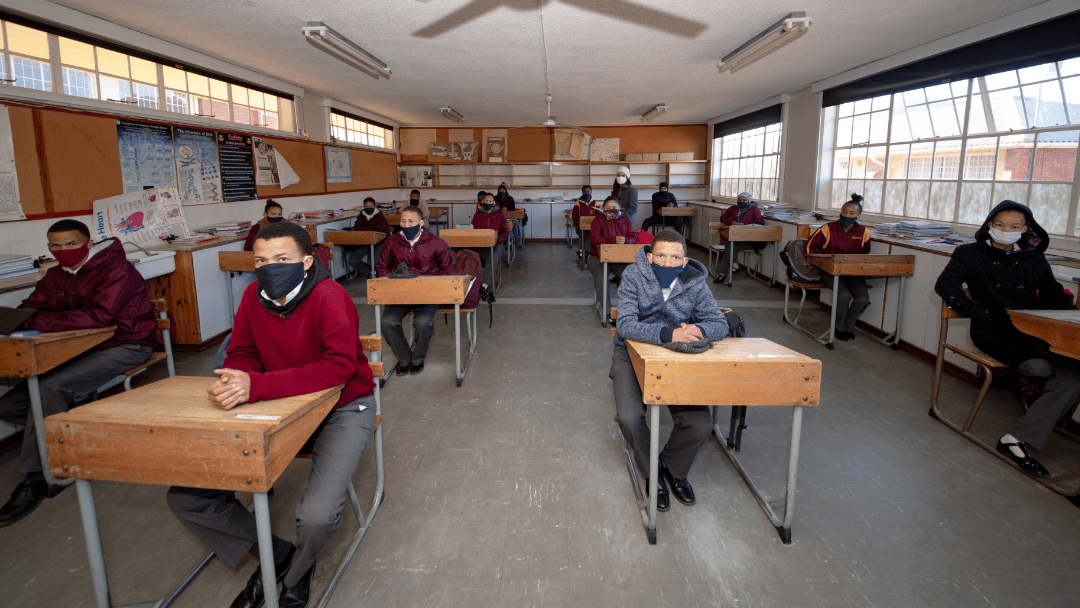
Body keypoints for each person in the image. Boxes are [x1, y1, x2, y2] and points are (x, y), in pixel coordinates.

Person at [167, 221, 377, 608]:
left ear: (307, 261)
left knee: (316, 517)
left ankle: (297, 573)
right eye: (261, 260)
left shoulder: (329, 296)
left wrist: (258, 386)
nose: (270, 267)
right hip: (281, 405)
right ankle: (276, 556)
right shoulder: (252, 296)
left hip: (342, 406)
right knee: (188, 497)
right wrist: (237, 377)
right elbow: (243, 351)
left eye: (282, 259)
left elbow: (338, 368)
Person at [0, 220, 155, 526]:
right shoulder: (55, 275)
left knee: (48, 390)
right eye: (55, 246)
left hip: (126, 343)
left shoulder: (117, 270)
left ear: (87, 242)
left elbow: (99, 317)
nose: (63, 251)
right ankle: (71, 433)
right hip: (79, 348)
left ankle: (43, 477)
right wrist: (23, 319)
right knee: (9, 405)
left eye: (71, 244)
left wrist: (35, 323)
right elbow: (30, 309)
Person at [935, 200, 1078, 478]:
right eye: (1000, 225)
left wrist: (1065, 314)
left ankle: (1014, 439)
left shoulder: (1033, 257)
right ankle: (1040, 418)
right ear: (989, 224)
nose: (1006, 230)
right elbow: (946, 286)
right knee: (1041, 368)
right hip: (993, 330)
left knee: (1074, 376)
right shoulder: (969, 253)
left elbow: (1051, 291)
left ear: (1025, 229)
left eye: (1014, 226)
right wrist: (985, 313)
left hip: (1036, 331)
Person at [610, 229, 728, 511]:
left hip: (677, 357)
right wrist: (668, 333)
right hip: (630, 351)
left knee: (699, 424)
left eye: (675, 257)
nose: (667, 262)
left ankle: (674, 468)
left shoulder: (695, 282)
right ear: (650, 256)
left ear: (685, 261)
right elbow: (625, 324)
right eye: (660, 255)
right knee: (629, 417)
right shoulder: (633, 276)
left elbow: (719, 323)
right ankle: (652, 471)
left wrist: (698, 328)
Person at [376, 206, 452, 376]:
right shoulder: (391, 242)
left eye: (411, 221)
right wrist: (391, 285)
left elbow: (446, 270)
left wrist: (433, 289)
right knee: (387, 323)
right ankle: (404, 358)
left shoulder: (436, 243)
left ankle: (417, 359)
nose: (407, 225)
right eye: (403, 221)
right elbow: (382, 267)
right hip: (399, 294)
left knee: (423, 323)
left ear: (421, 223)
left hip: (427, 295)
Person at [805, 194, 871, 341]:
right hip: (830, 270)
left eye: (852, 213)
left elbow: (865, 252)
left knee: (863, 299)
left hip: (852, 272)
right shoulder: (827, 228)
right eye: (844, 212)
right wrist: (819, 262)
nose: (847, 215)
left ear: (858, 216)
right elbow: (810, 247)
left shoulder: (863, 232)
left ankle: (848, 326)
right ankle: (839, 328)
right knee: (844, 296)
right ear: (840, 212)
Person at [588, 197, 637, 309]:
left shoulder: (626, 219)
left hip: (618, 258)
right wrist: (613, 240)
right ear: (603, 208)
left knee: (629, 276)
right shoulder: (598, 219)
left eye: (614, 207)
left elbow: (633, 237)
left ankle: (623, 308)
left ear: (620, 208)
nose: (612, 210)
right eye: (608, 208)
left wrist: (626, 240)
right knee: (602, 278)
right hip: (597, 257)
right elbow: (594, 239)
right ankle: (608, 310)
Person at [713, 191, 765, 283]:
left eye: (744, 200)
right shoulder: (734, 208)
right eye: (739, 200)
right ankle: (734, 266)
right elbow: (723, 218)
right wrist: (732, 222)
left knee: (729, 246)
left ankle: (722, 274)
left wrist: (744, 225)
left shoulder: (754, 210)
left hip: (749, 240)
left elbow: (760, 224)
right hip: (735, 238)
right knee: (729, 242)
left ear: (749, 201)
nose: (741, 201)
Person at [470, 191, 510, 287]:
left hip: (498, 244)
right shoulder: (477, 214)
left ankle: (485, 285)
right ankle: (487, 284)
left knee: (491, 259)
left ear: (494, 202)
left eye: (490, 201)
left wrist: (496, 241)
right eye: (486, 201)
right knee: (490, 260)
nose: (488, 203)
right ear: (483, 202)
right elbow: (473, 229)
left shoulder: (500, 214)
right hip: (482, 244)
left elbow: (505, 231)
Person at [348, 197, 392, 275]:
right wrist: (370, 229)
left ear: (374, 207)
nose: (368, 208)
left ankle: (379, 275)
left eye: (371, 206)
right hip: (365, 241)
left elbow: (380, 230)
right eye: (366, 206)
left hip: (379, 241)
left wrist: (365, 229)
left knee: (372, 262)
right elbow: (357, 228)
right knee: (353, 260)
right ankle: (370, 274)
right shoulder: (362, 215)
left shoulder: (379, 216)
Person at [572, 185, 600, 259]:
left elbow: (599, 215)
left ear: (591, 192)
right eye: (585, 192)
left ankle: (586, 253)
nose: (587, 193)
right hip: (581, 227)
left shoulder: (595, 202)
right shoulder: (578, 203)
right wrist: (580, 224)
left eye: (588, 191)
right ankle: (584, 253)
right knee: (585, 236)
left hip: (592, 227)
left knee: (592, 236)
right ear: (582, 192)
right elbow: (574, 216)